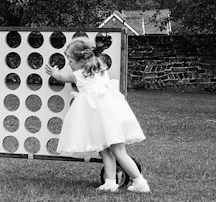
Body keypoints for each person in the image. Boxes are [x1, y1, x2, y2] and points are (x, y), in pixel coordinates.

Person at [45, 37, 150, 193]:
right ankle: (110, 182)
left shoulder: (78, 74)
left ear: (81, 61)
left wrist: (54, 72)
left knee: (117, 152)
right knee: (106, 150)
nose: (69, 64)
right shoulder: (101, 68)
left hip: (101, 119)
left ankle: (140, 182)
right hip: (111, 116)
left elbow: (61, 78)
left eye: (71, 61)